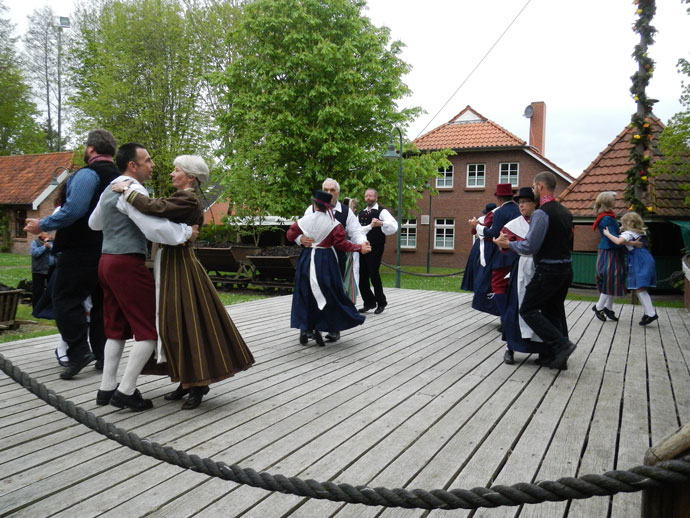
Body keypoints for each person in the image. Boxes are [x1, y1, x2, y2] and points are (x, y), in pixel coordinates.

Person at [112, 155, 255, 409]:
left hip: (180, 268)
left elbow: (154, 207)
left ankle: (198, 384)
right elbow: (159, 209)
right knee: (172, 323)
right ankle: (186, 380)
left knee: (185, 322)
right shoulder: (184, 198)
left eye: (176, 170)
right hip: (172, 263)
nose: (171, 174)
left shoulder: (187, 198)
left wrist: (127, 191)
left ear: (190, 177)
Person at [88, 143, 198, 411]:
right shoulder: (133, 189)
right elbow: (152, 228)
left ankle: (106, 388)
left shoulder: (109, 187)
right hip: (126, 262)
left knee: (114, 328)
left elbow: (94, 224)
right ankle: (125, 391)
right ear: (132, 166)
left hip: (106, 260)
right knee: (148, 328)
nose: (153, 165)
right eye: (147, 160)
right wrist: (186, 233)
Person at [24, 129, 120, 379]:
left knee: (65, 299)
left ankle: (78, 351)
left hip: (80, 249)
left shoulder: (87, 175)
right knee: (101, 303)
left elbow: (74, 209)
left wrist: (41, 225)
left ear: (90, 149)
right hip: (110, 249)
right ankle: (102, 356)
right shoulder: (121, 178)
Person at [494, 171, 576, 370]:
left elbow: (530, 246)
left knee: (528, 309)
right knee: (553, 311)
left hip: (548, 270)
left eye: (532, 188)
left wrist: (508, 245)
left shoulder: (542, 213)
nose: (532, 192)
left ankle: (562, 345)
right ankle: (555, 357)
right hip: (565, 269)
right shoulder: (565, 212)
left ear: (540, 186)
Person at [287, 190, 371, 346]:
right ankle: (329, 326)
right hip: (325, 261)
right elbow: (342, 244)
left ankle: (306, 327)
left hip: (306, 259)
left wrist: (301, 238)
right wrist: (359, 248)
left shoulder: (303, 221)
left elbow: (290, 235)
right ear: (329, 207)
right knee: (331, 292)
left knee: (305, 292)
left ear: (315, 205)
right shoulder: (334, 224)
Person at [498, 187, 549, 365]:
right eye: (519, 203)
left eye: (525, 202)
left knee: (539, 309)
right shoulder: (513, 225)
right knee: (515, 307)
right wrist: (502, 244)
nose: (521, 206)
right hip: (521, 268)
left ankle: (541, 349)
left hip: (540, 268)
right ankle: (510, 348)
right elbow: (503, 247)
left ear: (535, 203)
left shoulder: (542, 220)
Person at [469, 183, 520, 323]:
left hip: (503, 254)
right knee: (513, 287)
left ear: (499, 199)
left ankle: (506, 318)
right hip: (519, 253)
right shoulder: (518, 209)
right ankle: (511, 317)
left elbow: (493, 233)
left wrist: (477, 226)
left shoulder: (500, 212)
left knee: (498, 286)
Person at [603, 212, 658, 326]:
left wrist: (607, 234)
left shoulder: (628, 233)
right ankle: (648, 313)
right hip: (645, 258)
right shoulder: (640, 231)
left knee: (639, 288)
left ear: (627, 223)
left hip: (638, 260)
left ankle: (651, 313)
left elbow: (618, 241)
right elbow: (626, 239)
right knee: (640, 288)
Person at [357, 188, 399, 314]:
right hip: (363, 246)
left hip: (376, 246)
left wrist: (381, 223)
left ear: (376, 197)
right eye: (366, 196)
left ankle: (381, 302)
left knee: (373, 273)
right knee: (362, 275)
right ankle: (369, 302)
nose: (367, 198)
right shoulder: (361, 213)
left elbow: (393, 226)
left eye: (370, 196)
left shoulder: (382, 211)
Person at [591, 191, 626, 322]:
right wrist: (626, 240)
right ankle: (599, 306)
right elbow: (612, 239)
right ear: (607, 202)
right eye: (613, 199)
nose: (615, 201)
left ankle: (608, 307)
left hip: (611, 251)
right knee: (611, 278)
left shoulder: (607, 216)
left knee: (614, 279)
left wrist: (621, 230)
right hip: (609, 251)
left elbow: (612, 233)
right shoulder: (606, 218)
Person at [461, 202, 496, 295]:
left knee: (477, 266)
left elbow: (473, 232)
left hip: (480, 245)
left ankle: (479, 289)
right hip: (486, 245)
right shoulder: (489, 219)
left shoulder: (480, 220)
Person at [30, 232, 54, 310]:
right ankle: (36, 309)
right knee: (38, 290)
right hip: (38, 269)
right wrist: (44, 246)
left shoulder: (54, 242)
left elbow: (59, 252)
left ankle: (50, 309)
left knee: (52, 289)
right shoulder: (35, 242)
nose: (49, 235)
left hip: (51, 269)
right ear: (41, 234)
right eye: (47, 233)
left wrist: (50, 246)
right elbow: (34, 253)